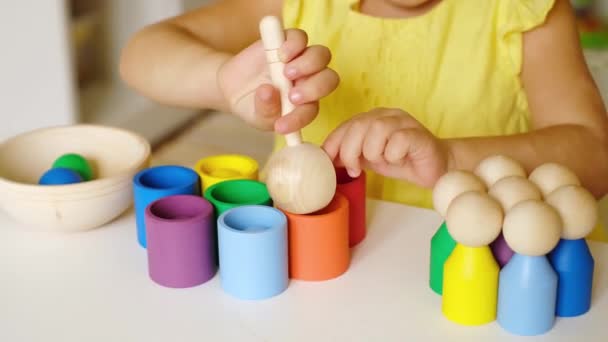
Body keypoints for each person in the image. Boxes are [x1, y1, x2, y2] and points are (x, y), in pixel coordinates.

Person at [120, 0, 608, 239]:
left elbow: (595, 154)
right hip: (320, 268)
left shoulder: (524, 11)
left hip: (475, 265)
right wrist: (223, 82)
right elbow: (142, 55)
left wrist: (452, 157)